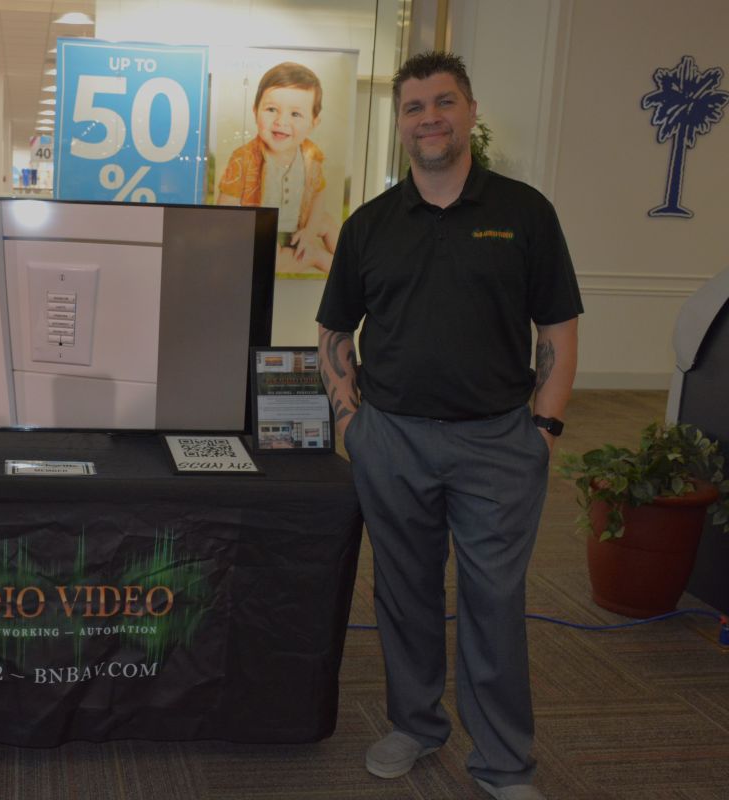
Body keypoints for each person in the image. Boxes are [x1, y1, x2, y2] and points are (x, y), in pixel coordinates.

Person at [316, 52, 581, 800]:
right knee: (404, 594)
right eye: (413, 107)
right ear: (399, 123)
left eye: (443, 102)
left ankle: (503, 763)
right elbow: (334, 331)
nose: (428, 118)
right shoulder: (370, 224)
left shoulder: (525, 213)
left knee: (493, 602)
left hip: (498, 442)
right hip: (392, 439)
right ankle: (415, 723)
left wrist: (545, 429)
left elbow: (558, 327)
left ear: (469, 112)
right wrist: (351, 420)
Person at [217, 61, 336, 274]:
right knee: (268, 258)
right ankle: (317, 258)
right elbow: (225, 211)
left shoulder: (311, 156)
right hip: (261, 233)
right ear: (255, 111)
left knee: (328, 224)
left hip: (298, 227)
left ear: (313, 122)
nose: (281, 121)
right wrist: (242, 235)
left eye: (295, 114)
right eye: (272, 109)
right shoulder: (243, 159)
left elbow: (318, 195)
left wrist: (309, 232)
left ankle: (348, 266)